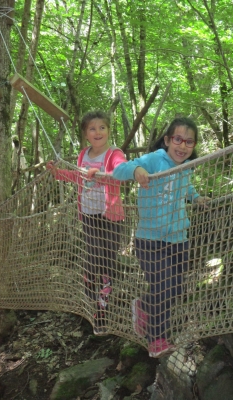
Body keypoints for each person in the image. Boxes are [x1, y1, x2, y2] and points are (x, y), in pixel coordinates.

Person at [113, 117, 209, 358]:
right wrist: (136, 169)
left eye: (189, 141)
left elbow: (185, 188)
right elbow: (119, 170)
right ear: (167, 140)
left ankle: (143, 306)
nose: (183, 146)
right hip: (150, 240)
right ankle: (156, 338)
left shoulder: (186, 165)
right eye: (178, 139)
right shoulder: (155, 159)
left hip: (179, 239)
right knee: (164, 287)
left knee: (175, 287)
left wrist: (196, 198)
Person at [46, 110, 126, 334]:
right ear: (85, 134)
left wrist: (103, 173)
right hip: (89, 215)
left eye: (102, 127)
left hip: (111, 216)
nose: (98, 132)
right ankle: (90, 281)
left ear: (108, 130)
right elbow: (78, 176)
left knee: (108, 258)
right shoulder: (83, 155)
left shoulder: (114, 154)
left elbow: (122, 170)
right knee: (93, 255)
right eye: (92, 128)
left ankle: (102, 307)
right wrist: (58, 173)